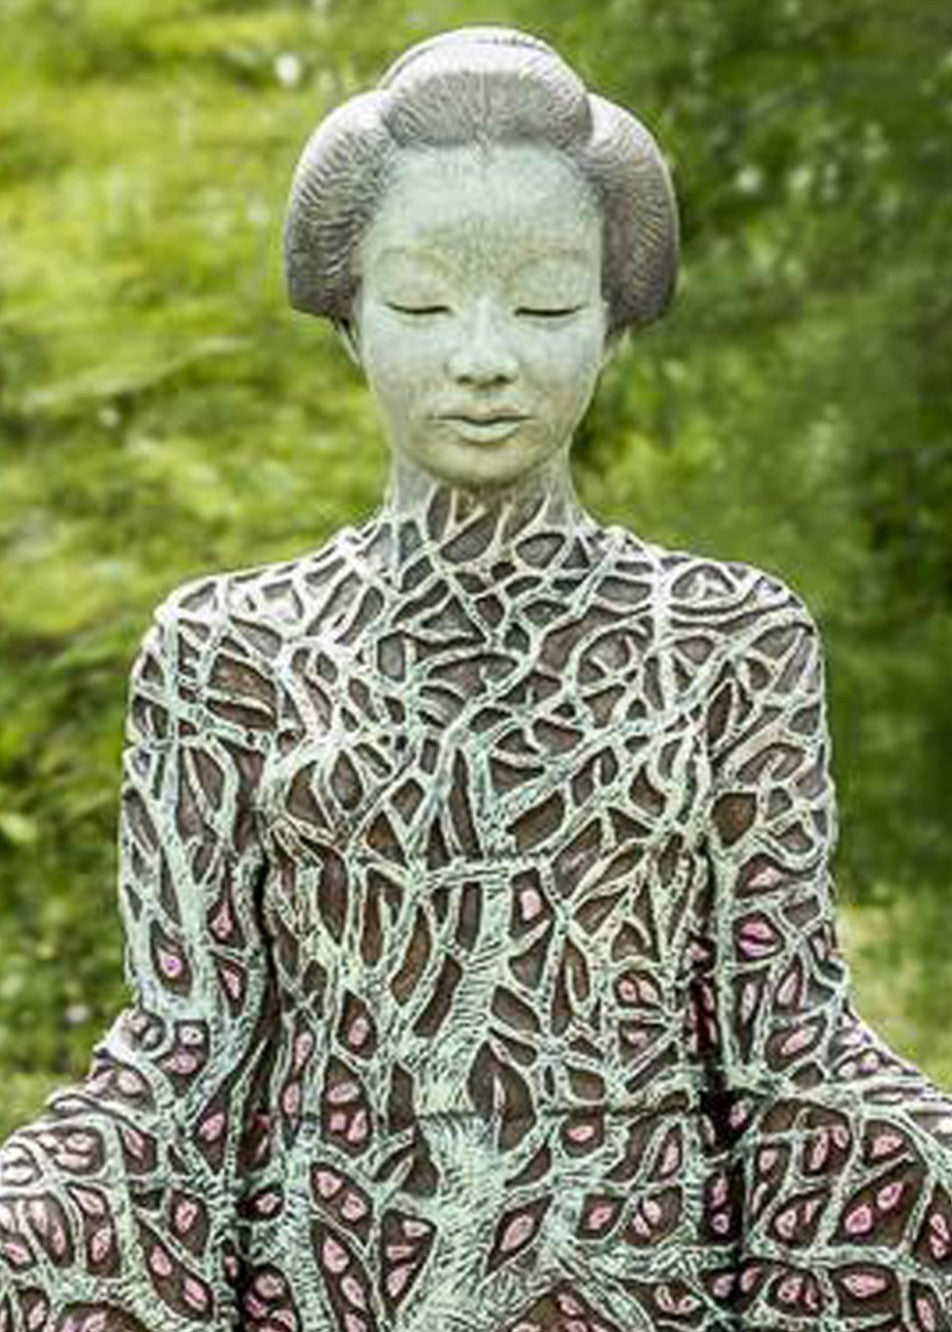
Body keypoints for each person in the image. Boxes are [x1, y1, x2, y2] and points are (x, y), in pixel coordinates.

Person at [2, 25, 951, 1332]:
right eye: (424, 306)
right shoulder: (229, 649)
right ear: (349, 320)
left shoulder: (728, 639)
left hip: (635, 1287)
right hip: (330, 1286)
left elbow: (787, 1046)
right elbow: (186, 1055)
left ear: (615, 324)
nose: (485, 358)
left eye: (546, 307)